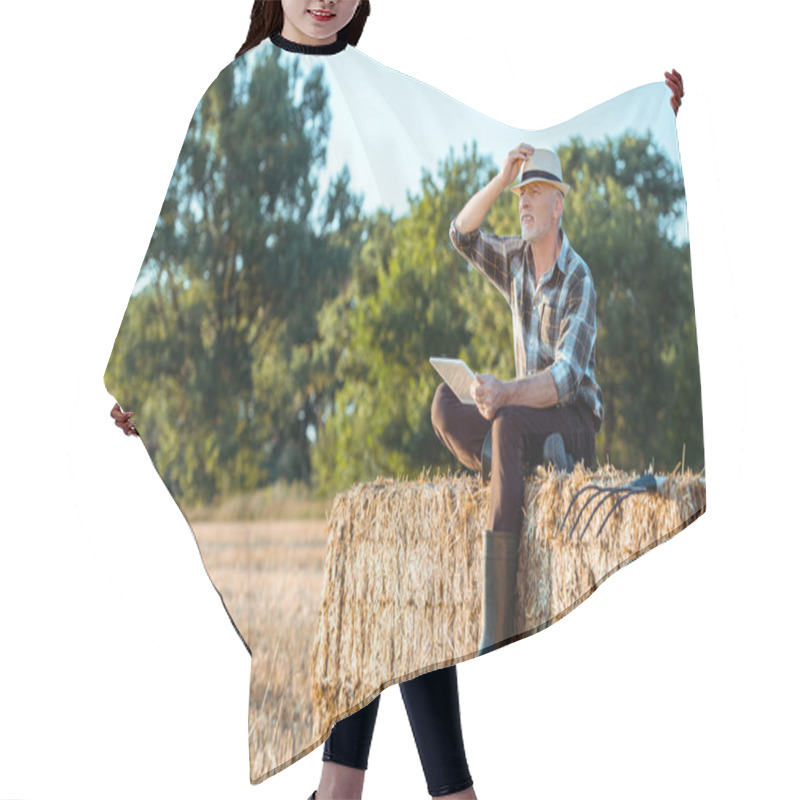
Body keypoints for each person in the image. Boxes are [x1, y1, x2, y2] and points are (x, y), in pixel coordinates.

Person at [111, 2, 476, 799]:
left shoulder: (384, 92)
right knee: (373, 596)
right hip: (290, 419)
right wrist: (150, 373)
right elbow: (193, 240)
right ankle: (423, 793)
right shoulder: (237, 91)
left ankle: (368, 791)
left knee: (399, 586)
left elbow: (470, 164)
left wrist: (647, 119)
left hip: (373, 396)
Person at [430, 65, 686, 655]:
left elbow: (567, 379)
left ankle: (498, 630)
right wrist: (499, 178)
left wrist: (506, 395)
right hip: (526, 414)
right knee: (446, 403)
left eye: (533, 193)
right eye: (521, 194)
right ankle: (513, 466)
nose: (524, 203)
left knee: (508, 420)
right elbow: (460, 236)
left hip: (571, 419)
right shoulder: (516, 258)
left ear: (558, 206)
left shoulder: (579, 279)